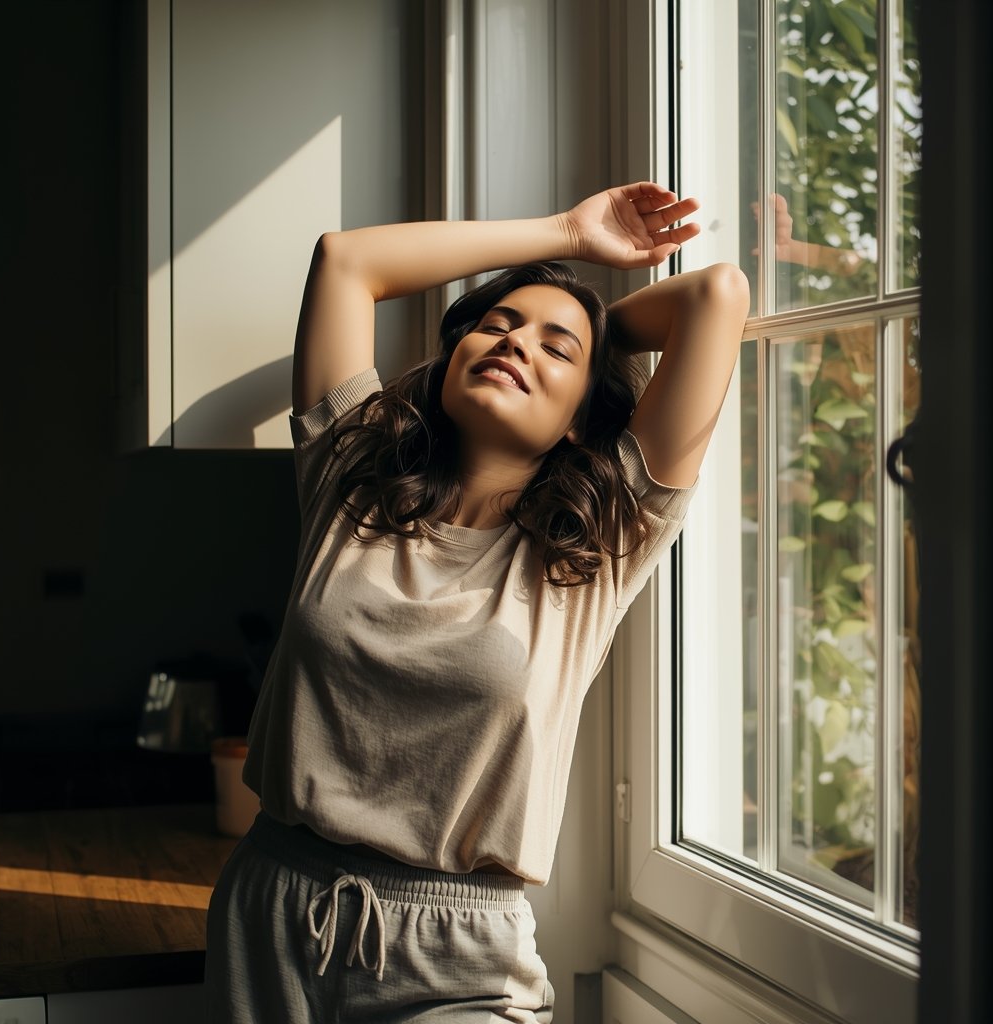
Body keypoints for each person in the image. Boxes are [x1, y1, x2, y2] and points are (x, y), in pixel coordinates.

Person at [204, 181, 749, 1022]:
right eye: (495, 325)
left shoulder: (596, 547)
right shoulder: (349, 483)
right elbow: (347, 261)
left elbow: (718, 297)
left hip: (455, 956)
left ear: (581, 417)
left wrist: (595, 328)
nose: (514, 342)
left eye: (552, 350)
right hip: (269, 914)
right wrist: (566, 232)